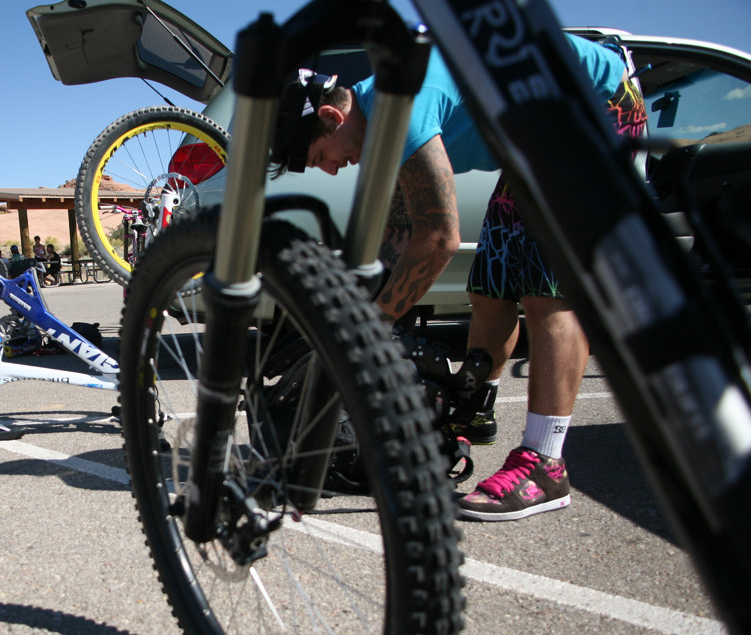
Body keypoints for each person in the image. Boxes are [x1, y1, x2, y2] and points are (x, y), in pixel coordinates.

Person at [269, 36, 645, 521]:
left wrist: (365, 331)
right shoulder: (379, 118)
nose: (331, 170)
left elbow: (440, 239)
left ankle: (545, 463)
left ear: (331, 118)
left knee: (547, 288)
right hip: (536, 139)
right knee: (490, 286)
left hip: (598, 107)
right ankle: (471, 412)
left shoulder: (394, 108)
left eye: (320, 156)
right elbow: (399, 240)